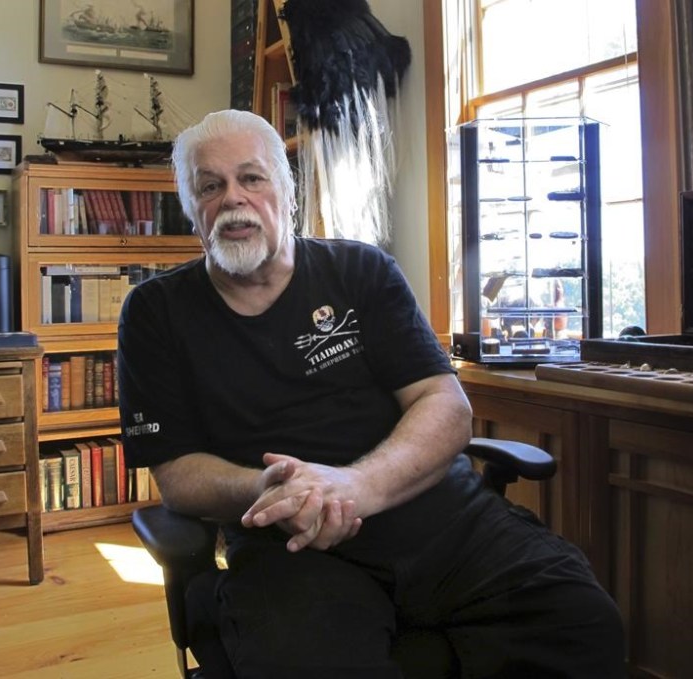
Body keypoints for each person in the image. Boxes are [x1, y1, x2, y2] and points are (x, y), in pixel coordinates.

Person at [118, 109, 623, 678]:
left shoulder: (361, 271)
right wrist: (270, 488)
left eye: (251, 178)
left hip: (440, 521)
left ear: (288, 192)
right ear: (191, 209)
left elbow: (444, 405)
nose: (233, 198)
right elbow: (177, 472)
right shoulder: (156, 313)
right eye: (210, 186)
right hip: (292, 548)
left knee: (581, 624)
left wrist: (356, 487)